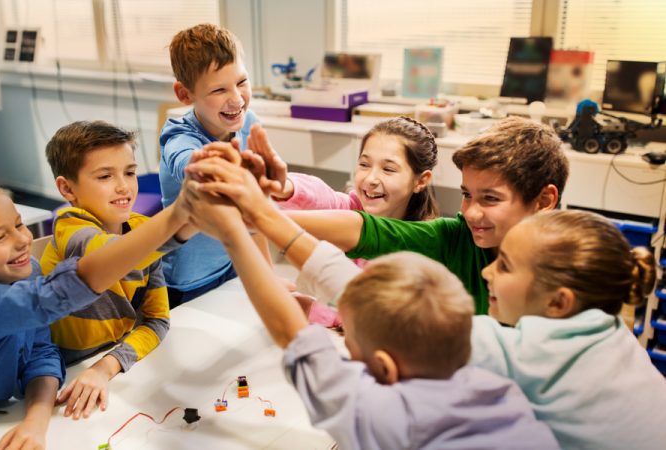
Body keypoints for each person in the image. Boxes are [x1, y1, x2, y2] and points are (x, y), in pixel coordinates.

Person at [179, 165, 558, 450]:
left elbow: (288, 329)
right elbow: (344, 282)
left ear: (385, 368)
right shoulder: (498, 380)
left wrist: (233, 234)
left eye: (351, 348)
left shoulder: (380, 416)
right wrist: (257, 216)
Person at [0, 178, 188, 446]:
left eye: (19, 224)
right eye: (0, 237)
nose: (22, 239)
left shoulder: (27, 270)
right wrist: (176, 220)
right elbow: (65, 290)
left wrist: (36, 421)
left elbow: (40, 352)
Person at [270, 116, 570, 314]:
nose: (470, 212)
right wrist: (261, 213)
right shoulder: (454, 236)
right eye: (466, 195)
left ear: (544, 200)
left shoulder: (573, 267)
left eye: (490, 199)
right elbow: (361, 227)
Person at [470, 209, 666, 449]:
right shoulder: (617, 333)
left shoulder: (534, 351)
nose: (486, 272)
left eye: (504, 266)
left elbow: (441, 330)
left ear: (558, 303)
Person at [42, 120, 188, 420]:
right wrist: (181, 220)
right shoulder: (70, 226)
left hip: (108, 364)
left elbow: (157, 321)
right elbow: (112, 255)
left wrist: (107, 366)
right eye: (105, 176)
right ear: (67, 188)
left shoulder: (143, 230)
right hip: (57, 374)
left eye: (130, 172)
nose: (123, 186)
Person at [159, 23, 276, 306]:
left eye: (241, 82)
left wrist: (270, 279)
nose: (236, 99)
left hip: (233, 262)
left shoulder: (250, 123)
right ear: (185, 94)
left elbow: (255, 219)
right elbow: (187, 162)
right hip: (189, 280)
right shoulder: (179, 137)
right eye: (219, 90)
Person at [272, 116, 438, 222]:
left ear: (421, 180)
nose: (370, 179)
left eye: (388, 169)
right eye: (365, 165)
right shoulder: (352, 210)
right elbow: (322, 197)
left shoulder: (424, 240)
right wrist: (286, 186)